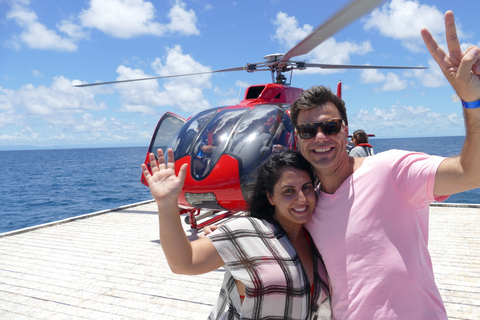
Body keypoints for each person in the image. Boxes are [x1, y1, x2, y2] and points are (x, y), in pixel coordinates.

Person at [288, 10, 480, 319]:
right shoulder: (307, 207)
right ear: (297, 138)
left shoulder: (392, 170)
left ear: (346, 130)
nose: (319, 137)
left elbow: (471, 173)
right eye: (308, 131)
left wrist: (473, 102)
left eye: (330, 127)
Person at [141, 149, 331, 319]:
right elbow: (184, 262)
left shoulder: (316, 238)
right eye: (289, 191)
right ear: (270, 197)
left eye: (306, 188)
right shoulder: (247, 231)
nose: (301, 198)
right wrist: (166, 204)